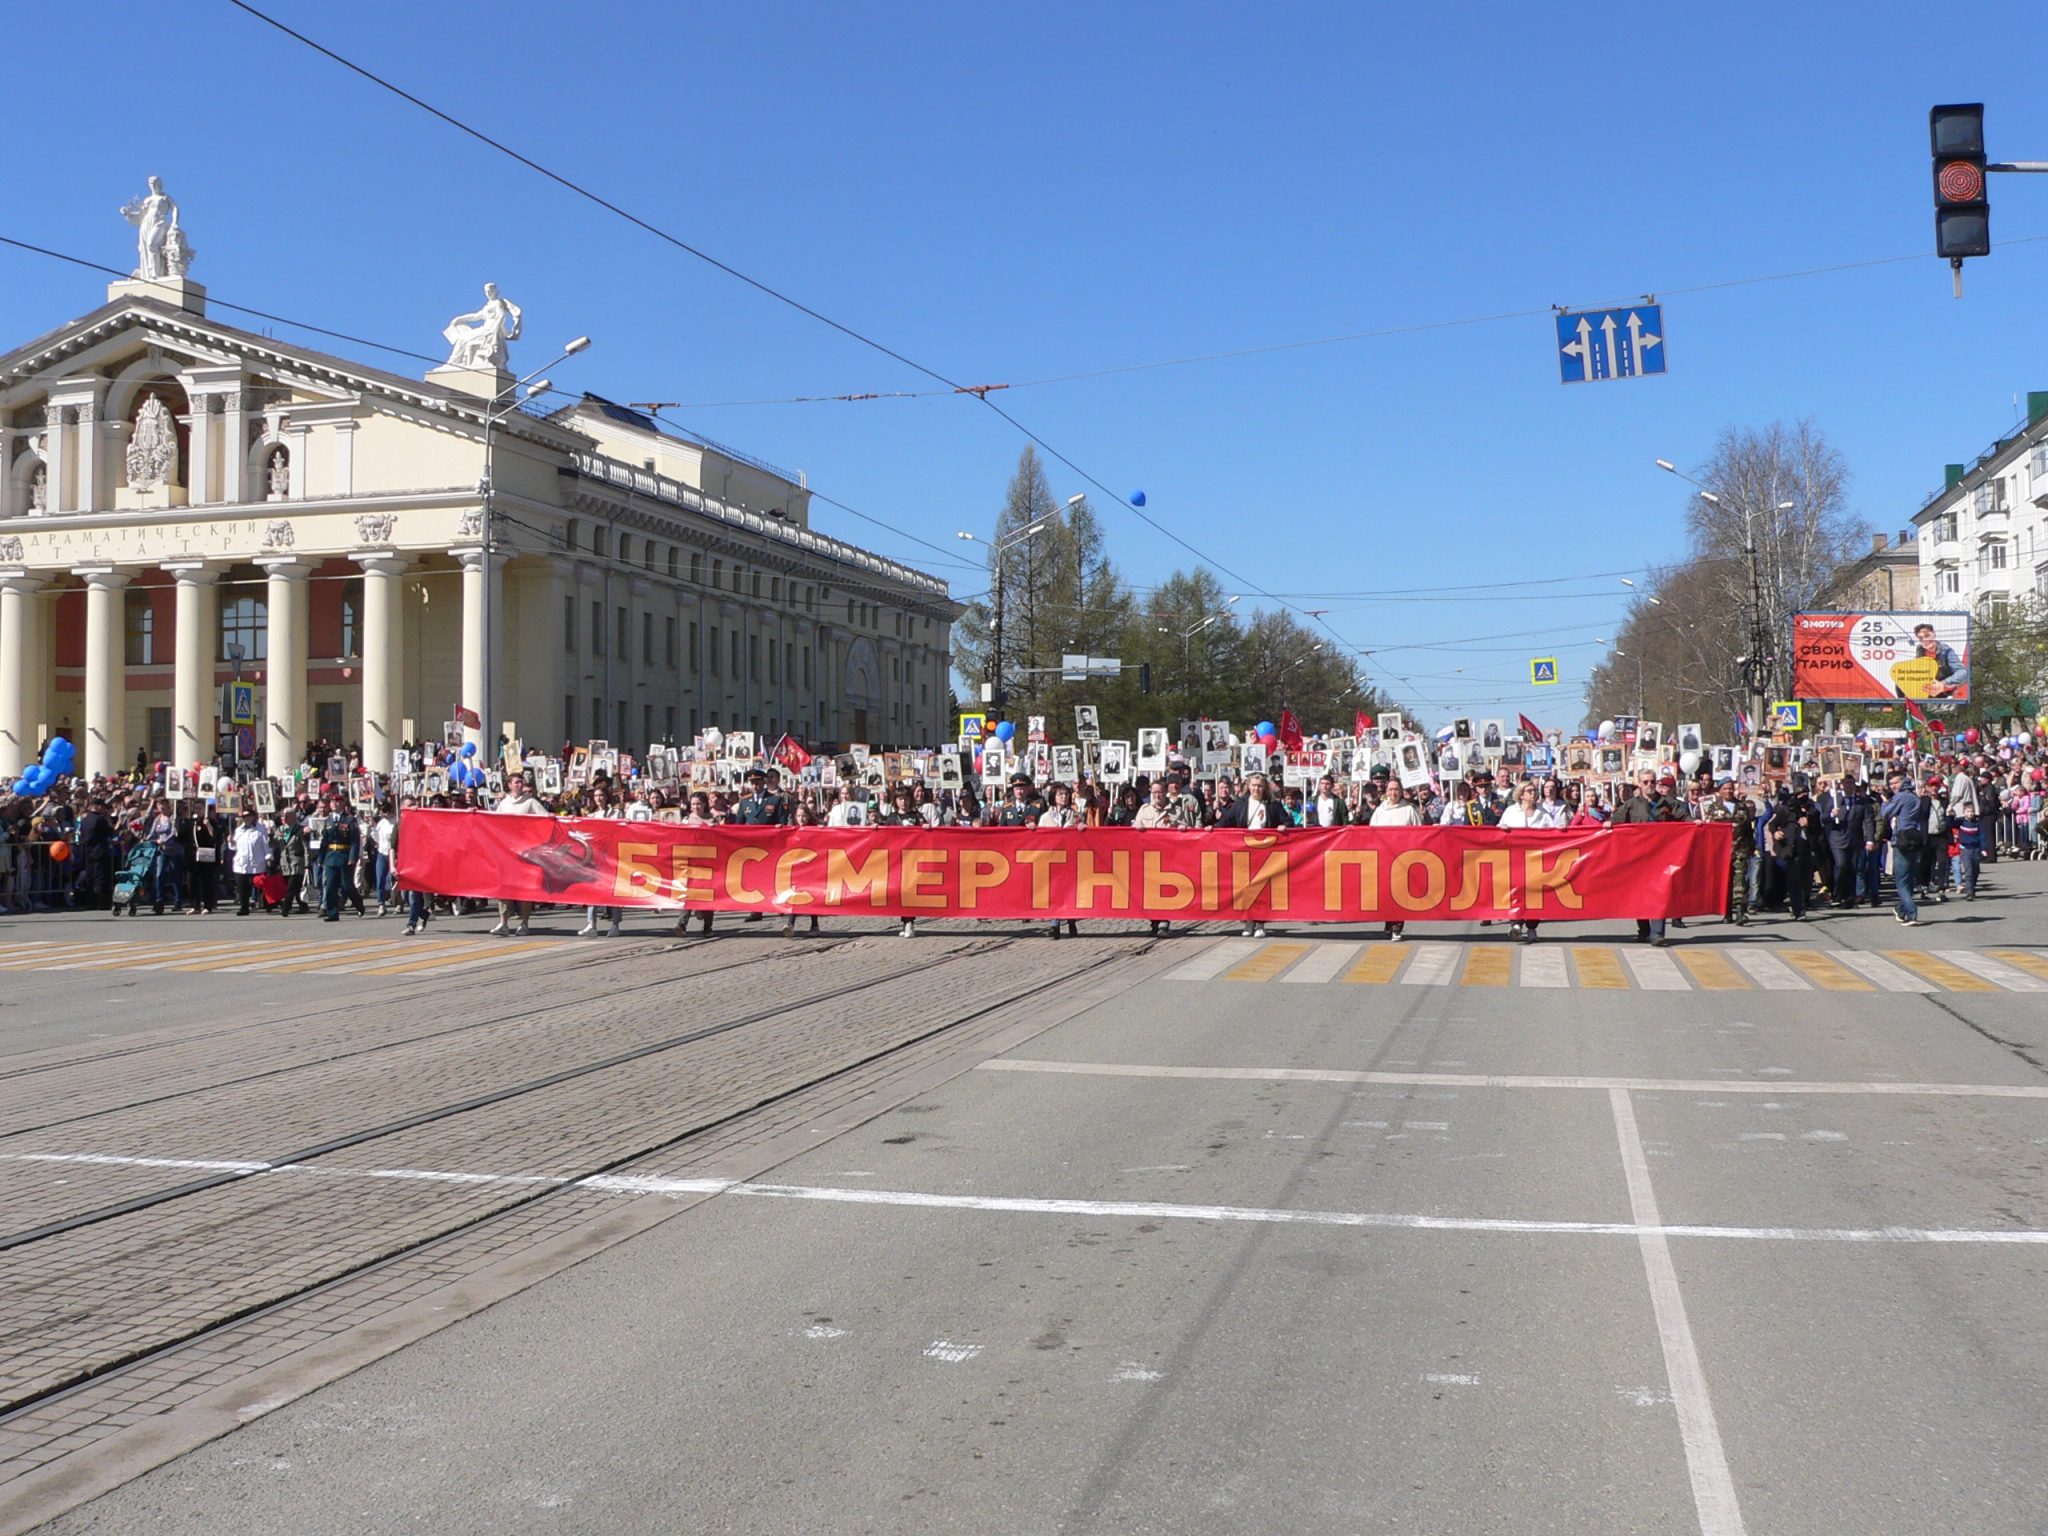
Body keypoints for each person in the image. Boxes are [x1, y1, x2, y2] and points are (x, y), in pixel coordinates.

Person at [1614, 769, 1680, 945]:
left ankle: (1657, 933)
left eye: (1652, 782)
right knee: (1640, 896)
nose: (1649, 785)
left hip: (1661, 857)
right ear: (1640, 784)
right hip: (1639, 858)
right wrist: (1608, 824)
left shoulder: (1668, 803)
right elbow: (1615, 822)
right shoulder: (1631, 804)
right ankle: (1644, 930)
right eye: (1645, 782)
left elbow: (1684, 819)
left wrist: (1695, 823)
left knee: (1660, 895)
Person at [488, 772, 547, 935]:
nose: (519, 785)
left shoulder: (530, 802)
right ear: (509, 785)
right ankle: (503, 922)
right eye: (516, 782)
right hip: (507, 853)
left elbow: (545, 819)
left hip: (526, 853)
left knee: (524, 890)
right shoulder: (504, 804)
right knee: (503, 888)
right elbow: (494, 823)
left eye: (521, 782)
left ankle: (524, 922)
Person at [1368, 780, 1421, 941]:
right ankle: (1388, 921)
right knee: (1386, 892)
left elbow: (1418, 832)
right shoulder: (1380, 811)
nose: (1393, 793)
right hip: (1384, 858)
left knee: (1400, 893)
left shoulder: (1409, 810)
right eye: (1390, 789)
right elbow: (1371, 833)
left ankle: (1397, 926)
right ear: (1386, 791)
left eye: (1396, 789)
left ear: (1401, 791)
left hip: (1403, 859)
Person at [1702, 779, 1756, 925]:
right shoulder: (1713, 808)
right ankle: (1726, 912)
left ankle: (1740, 912)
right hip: (1721, 852)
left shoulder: (1741, 807)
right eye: (1725, 789)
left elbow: (1748, 830)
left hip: (1740, 850)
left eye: (1731, 789)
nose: (1728, 791)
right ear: (1719, 790)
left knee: (1740, 881)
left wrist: (1752, 847)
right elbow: (1709, 831)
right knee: (1725, 882)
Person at [1878, 771, 1929, 927]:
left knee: (1901, 879)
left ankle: (1911, 913)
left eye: (1896, 782)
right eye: (1891, 783)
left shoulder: (1902, 797)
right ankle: (1902, 909)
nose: (1893, 786)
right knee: (1909, 879)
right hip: (1916, 838)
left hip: (1903, 840)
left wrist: (1886, 802)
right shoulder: (1915, 797)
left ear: (1903, 781)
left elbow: (1885, 814)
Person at [1036, 782, 1083, 939]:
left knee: (1069, 892)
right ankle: (1054, 924)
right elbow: (1038, 837)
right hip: (1052, 860)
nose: (1064, 797)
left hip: (1069, 860)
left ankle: (1071, 921)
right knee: (1055, 892)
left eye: (1065, 794)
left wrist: (1082, 827)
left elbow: (1083, 831)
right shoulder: (1045, 817)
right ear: (1053, 797)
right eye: (1060, 794)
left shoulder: (1074, 815)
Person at [578, 780, 623, 937]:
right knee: (593, 891)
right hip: (596, 857)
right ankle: (591, 924)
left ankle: (615, 924)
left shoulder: (616, 813)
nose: (598, 798)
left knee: (614, 892)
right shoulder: (591, 815)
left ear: (606, 797)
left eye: (601, 795)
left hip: (612, 856)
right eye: (596, 796)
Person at [317, 797, 363, 922]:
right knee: (330, 885)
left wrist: (352, 857)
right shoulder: (329, 820)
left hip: (344, 855)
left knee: (346, 886)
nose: (334, 803)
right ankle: (332, 913)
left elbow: (354, 841)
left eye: (337, 801)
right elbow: (325, 841)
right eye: (332, 801)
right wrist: (320, 858)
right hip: (331, 856)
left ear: (343, 804)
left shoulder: (349, 820)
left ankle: (359, 903)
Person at [229, 807, 270, 916]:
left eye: (248, 816)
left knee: (260, 884)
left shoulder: (260, 829)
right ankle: (244, 907)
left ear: (253, 816)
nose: (246, 818)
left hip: (257, 863)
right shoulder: (238, 830)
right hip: (241, 863)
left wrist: (268, 857)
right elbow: (234, 848)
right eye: (244, 816)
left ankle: (267, 903)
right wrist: (231, 842)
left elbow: (266, 845)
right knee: (242, 887)